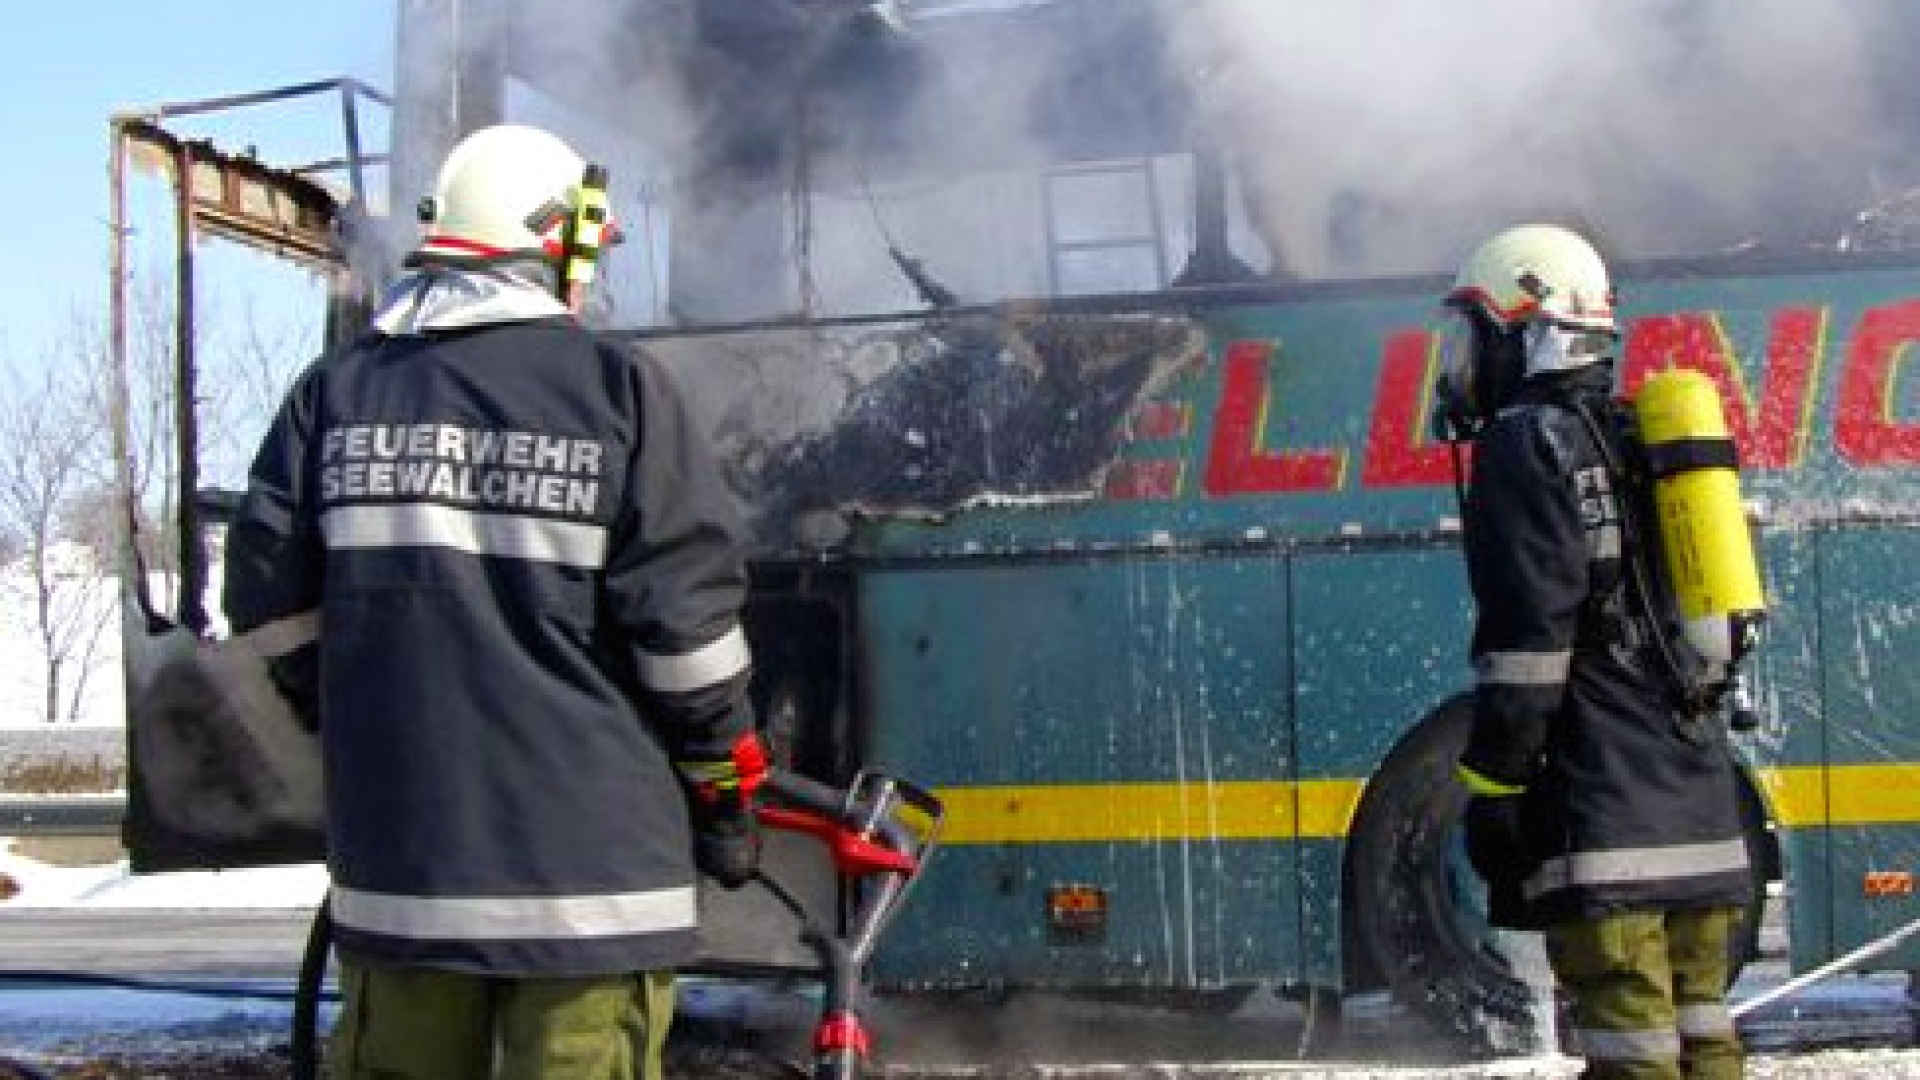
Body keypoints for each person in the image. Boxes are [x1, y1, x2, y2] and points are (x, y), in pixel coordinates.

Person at [222, 123, 767, 1080]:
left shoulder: (336, 393)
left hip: (403, 877)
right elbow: (690, 648)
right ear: (550, 239)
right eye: (585, 246)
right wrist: (724, 809)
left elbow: (267, 602)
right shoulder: (619, 392)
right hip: (595, 890)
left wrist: (355, 707)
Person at [1433, 224, 1752, 1079]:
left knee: (1632, 1051)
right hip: (1700, 811)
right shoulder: (1634, 436)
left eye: (1479, 335)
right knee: (1702, 1041)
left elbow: (1530, 640)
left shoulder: (1524, 444)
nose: (1466, 362)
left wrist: (1496, 788)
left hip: (1603, 819)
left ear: (1531, 333)